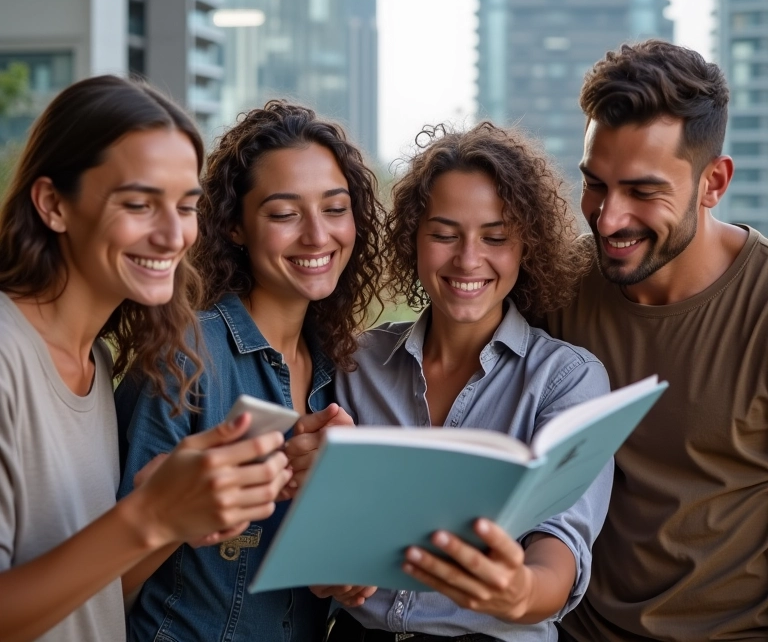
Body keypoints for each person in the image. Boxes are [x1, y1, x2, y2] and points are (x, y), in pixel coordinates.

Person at [0, 76, 292, 642]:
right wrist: (149, 515)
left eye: (186, 207)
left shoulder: (95, 363)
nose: (173, 235)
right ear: (53, 204)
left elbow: (91, 598)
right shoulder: (8, 356)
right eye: (138, 204)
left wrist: (180, 515)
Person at [323, 122, 613, 641]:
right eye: (443, 234)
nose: (468, 259)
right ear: (412, 239)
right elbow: (325, 528)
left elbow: (560, 542)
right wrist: (329, 570)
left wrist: (521, 590)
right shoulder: (357, 363)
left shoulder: (567, 380)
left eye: (495, 238)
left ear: (527, 247)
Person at [116, 100, 386, 642]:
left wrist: (348, 568)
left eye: (335, 208)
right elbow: (103, 584)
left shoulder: (344, 371)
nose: (318, 236)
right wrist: (186, 506)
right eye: (285, 214)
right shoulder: (185, 359)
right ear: (234, 226)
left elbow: (321, 583)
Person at [547, 40, 768, 642]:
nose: (608, 218)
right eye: (595, 184)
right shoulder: (556, 287)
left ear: (713, 182)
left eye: (643, 192)